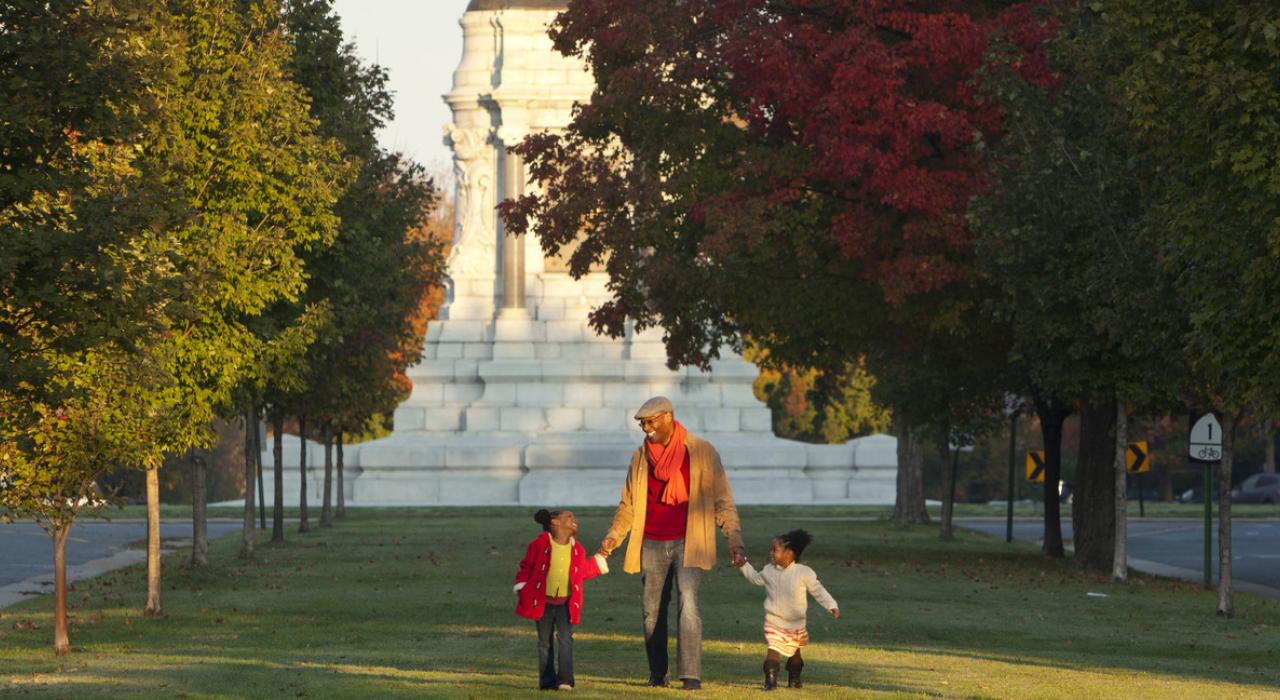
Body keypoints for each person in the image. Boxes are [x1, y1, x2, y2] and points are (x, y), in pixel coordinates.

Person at [597, 396, 746, 691]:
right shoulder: (640, 458)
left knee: (688, 603)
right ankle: (657, 674)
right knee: (652, 610)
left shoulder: (702, 452)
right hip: (651, 542)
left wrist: (734, 538)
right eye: (642, 424)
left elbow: (722, 500)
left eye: (650, 422)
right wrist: (613, 537)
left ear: (667, 417)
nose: (645, 429)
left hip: (690, 541)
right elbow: (628, 504)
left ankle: (690, 676)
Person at [514, 509, 609, 691]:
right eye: (569, 517)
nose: (575, 519)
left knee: (566, 639)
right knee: (544, 642)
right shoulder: (538, 545)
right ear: (555, 522)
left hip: (566, 603)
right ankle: (547, 682)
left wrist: (599, 560)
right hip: (542, 603)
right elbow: (526, 568)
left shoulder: (577, 550)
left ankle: (565, 680)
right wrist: (522, 588)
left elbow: (580, 573)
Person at [736, 528, 839, 690]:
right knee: (773, 648)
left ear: (789, 553)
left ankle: (794, 677)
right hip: (774, 621)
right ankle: (770, 681)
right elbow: (755, 578)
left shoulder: (803, 573)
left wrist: (831, 605)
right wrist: (744, 565)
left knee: (795, 655)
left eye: (775, 550)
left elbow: (818, 590)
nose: (770, 553)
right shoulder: (769, 571)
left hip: (795, 625)